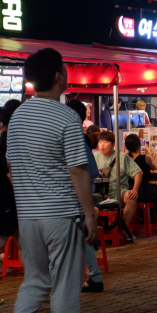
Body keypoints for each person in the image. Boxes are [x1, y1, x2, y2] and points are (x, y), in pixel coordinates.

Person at [1, 48, 100, 313]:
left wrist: (28, 202)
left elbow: (12, 168)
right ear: (59, 77)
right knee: (65, 283)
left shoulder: (18, 116)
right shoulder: (67, 117)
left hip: (28, 215)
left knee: (36, 279)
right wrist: (89, 212)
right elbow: (78, 170)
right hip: (61, 214)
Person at [65, 99, 105, 293]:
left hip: (74, 197)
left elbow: (84, 173)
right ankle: (94, 277)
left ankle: (88, 278)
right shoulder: (78, 138)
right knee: (81, 237)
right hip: (78, 196)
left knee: (79, 237)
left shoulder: (76, 139)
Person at [0, 100, 22, 284]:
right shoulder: (11, 140)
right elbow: (12, 174)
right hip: (5, 201)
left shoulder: (3, 138)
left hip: (2, 199)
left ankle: (38, 286)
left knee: (24, 244)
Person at [94, 131, 143, 225]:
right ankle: (97, 232)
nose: (102, 145)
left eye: (105, 142)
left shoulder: (122, 157)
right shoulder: (94, 157)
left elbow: (138, 173)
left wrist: (135, 190)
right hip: (98, 195)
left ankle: (122, 227)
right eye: (100, 142)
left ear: (113, 144)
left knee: (131, 197)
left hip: (119, 193)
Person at [124, 134, 157, 227]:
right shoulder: (145, 158)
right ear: (139, 146)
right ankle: (154, 219)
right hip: (143, 191)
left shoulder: (125, 159)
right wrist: (148, 152)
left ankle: (142, 218)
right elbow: (155, 167)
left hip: (128, 191)